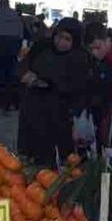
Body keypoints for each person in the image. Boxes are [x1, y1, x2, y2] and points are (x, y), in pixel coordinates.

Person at [17, 17, 91, 167]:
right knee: (29, 158)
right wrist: (25, 75)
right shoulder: (43, 46)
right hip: (32, 109)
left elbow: (77, 88)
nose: (60, 42)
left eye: (67, 39)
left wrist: (46, 81)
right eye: (58, 36)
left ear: (75, 40)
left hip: (59, 117)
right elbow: (23, 65)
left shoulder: (80, 58)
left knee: (51, 164)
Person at [84, 23, 112, 142]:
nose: (94, 52)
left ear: (108, 41)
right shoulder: (89, 61)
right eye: (91, 49)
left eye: (98, 48)